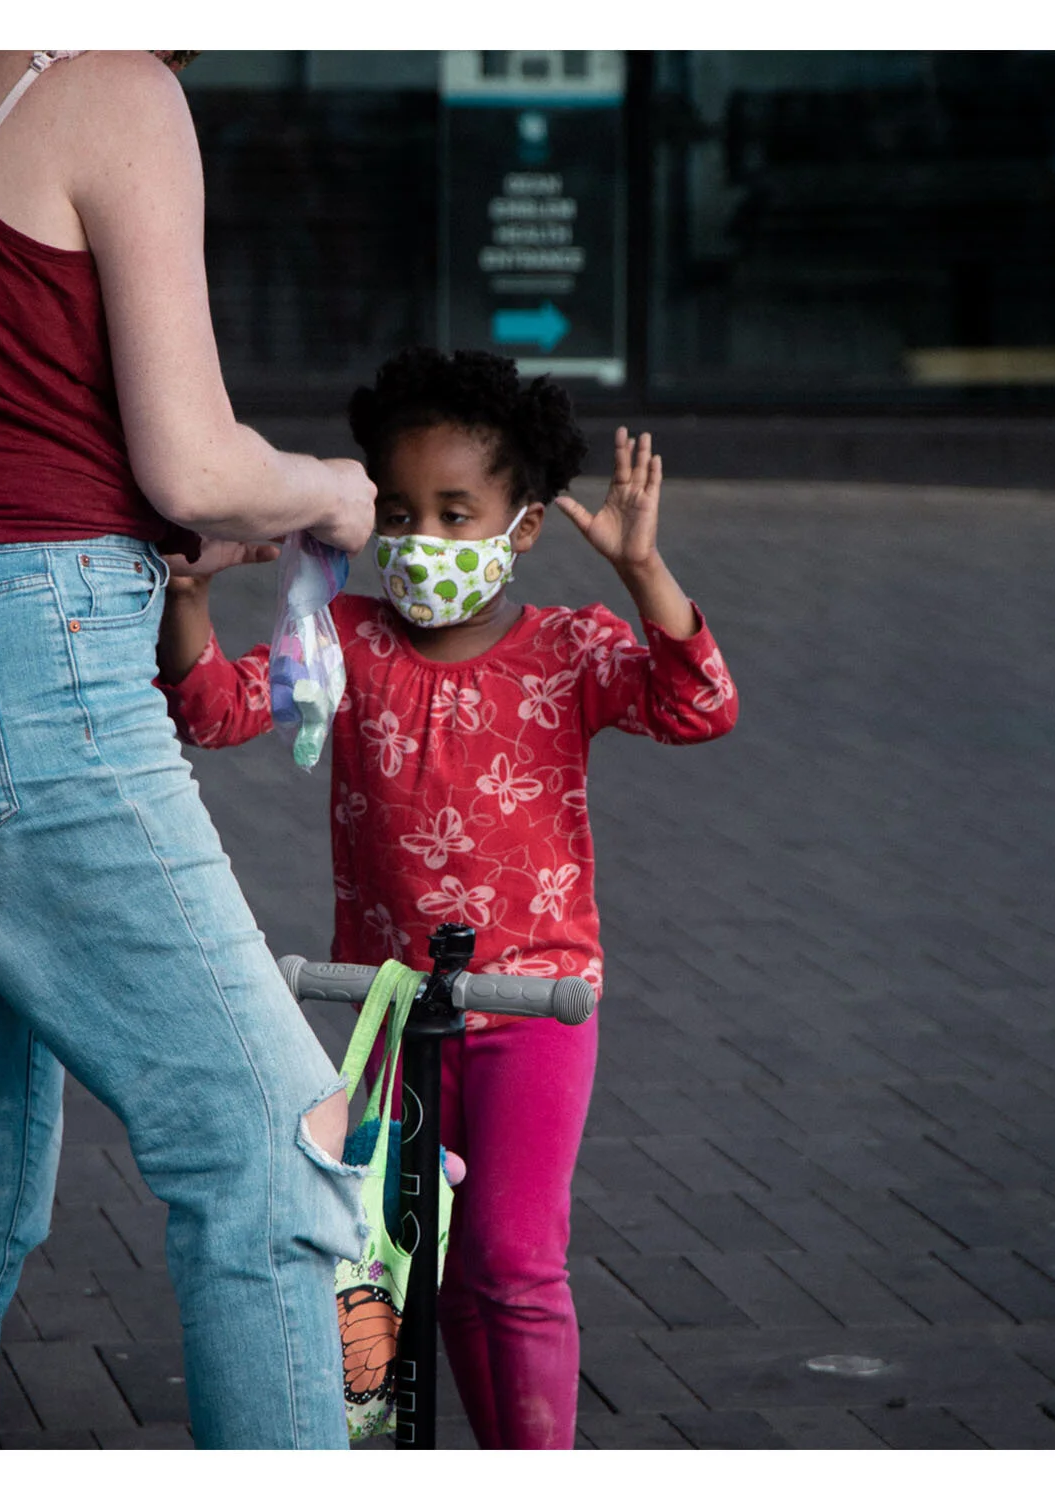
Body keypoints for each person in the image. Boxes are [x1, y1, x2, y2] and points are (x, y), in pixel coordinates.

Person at [0, 50, 377, 1449]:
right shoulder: (111, 84)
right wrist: (331, 490)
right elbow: (195, 463)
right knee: (277, 1137)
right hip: (1, 659)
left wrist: (150, 532)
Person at [155, 348, 741, 1448]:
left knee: (512, 1262)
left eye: (456, 514)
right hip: (391, 1018)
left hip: (535, 1012)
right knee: (414, 1264)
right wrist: (187, 596)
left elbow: (698, 705)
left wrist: (643, 571)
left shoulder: (568, 648)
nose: (421, 538)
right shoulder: (343, 640)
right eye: (399, 512)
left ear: (523, 528)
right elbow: (214, 710)